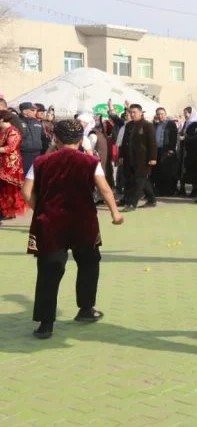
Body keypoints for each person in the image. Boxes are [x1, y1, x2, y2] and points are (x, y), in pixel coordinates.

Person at [23, 119, 123, 339]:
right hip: (83, 222)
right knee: (89, 263)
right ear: (80, 140)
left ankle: (45, 323)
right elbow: (104, 189)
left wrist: (39, 208)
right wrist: (115, 213)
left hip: (50, 222)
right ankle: (86, 309)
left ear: (55, 138)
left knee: (50, 270)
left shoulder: (41, 161)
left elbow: (26, 190)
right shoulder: (90, 161)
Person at [120, 104, 158, 211]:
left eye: (134, 112)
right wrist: (121, 156)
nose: (132, 114)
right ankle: (151, 200)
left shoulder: (147, 125)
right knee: (142, 180)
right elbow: (124, 142)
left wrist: (153, 157)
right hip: (130, 158)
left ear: (141, 113)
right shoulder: (129, 125)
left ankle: (132, 204)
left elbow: (152, 143)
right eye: (130, 112)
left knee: (139, 180)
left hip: (144, 158)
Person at [0, 110, 27, 222]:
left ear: (2, 119)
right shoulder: (3, 130)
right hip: (3, 161)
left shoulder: (13, 131)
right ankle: (4, 210)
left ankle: (9, 212)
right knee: (3, 188)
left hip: (11, 163)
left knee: (9, 187)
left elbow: (10, 148)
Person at [152, 107, 179, 196]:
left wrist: (171, 149)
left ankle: (169, 190)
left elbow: (173, 137)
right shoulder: (155, 125)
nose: (160, 116)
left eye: (162, 114)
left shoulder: (170, 124)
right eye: (158, 114)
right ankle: (159, 190)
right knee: (158, 170)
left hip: (167, 150)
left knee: (168, 171)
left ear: (165, 115)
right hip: (158, 150)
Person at [18, 102, 47, 174]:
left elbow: (43, 137)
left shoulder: (37, 122)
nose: (35, 112)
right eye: (32, 110)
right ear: (24, 111)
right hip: (24, 154)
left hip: (37, 153)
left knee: (36, 174)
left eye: (35, 110)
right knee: (25, 174)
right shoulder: (18, 122)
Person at [180, 107, 197, 197]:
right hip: (185, 151)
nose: (185, 115)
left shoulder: (196, 124)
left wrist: (186, 138)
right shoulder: (187, 123)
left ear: (191, 113)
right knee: (184, 170)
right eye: (184, 113)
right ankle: (183, 189)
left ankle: (194, 190)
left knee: (193, 171)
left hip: (194, 152)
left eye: (186, 113)